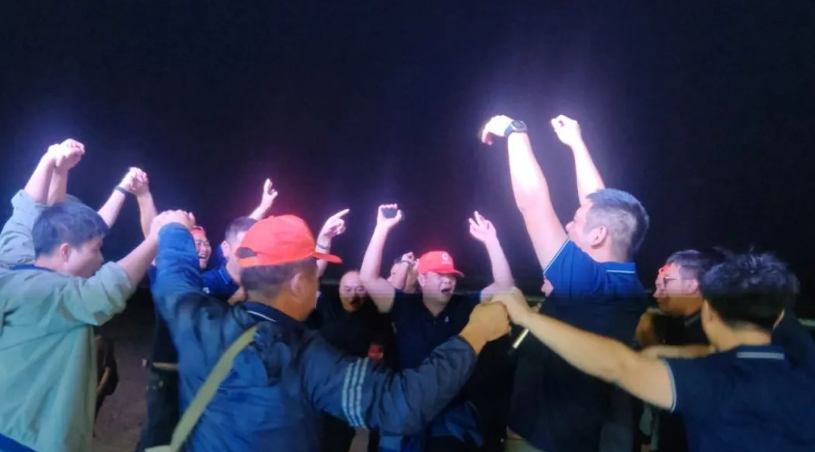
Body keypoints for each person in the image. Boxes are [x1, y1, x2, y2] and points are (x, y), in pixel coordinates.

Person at [150, 212, 511, 452]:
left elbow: (173, 280)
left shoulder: (199, 322)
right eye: (314, 273)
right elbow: (400, 404)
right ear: (297, 284)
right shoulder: (307, 358)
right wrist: (474, 336)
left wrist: (174, 231)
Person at [495, 252, 815, 452]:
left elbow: (619, 366)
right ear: (778, 316)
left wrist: (527, 318)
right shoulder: (802, 371)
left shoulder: (710, 381)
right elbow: (703, 353)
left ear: (709, 312)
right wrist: (664, 351)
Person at [481, 114, 650, 452]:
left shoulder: (589, 285)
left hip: (545, 439)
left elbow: (533, 204)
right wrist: (576, 143)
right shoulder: (625, 282)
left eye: (574, 220)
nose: (569, 226)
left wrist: (514, 131)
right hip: (579, 433)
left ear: (598, 235)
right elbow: (599, 204)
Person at [0, 140, 165, 452]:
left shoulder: (15, 260)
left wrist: (50, 161)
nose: (101, 258)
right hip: (24, 438)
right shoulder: (46, 291)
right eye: (97, 249)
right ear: (64, 250)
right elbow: (104, 291)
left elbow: (26, 211)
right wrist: (157, 237)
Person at [360, 205, 515, 452]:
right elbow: (368, 278)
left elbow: (505, 287)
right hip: (409, 409)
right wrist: (381, 228)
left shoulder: (465, 305)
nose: (448, 281)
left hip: (451, 414)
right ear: (421, 279)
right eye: (440, 275)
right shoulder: (404, 305)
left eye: (452, 276)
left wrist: (491, 241)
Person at [638, 249, 815, 452]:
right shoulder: (683, 323)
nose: (657, 293)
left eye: (667, 282)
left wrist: (653, 346)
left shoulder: (741, 331)